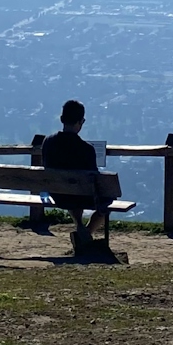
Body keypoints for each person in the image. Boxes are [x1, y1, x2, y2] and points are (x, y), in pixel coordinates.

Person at [40, 99, 110, 243]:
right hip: (79, 195)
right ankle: (86, 233)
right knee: (106, 200)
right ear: (82, 122)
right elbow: (93, 179)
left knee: (73, 191)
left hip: (57, 193)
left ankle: (79, 225)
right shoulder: (87, 149)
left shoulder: (48, 142)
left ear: (61, 119)